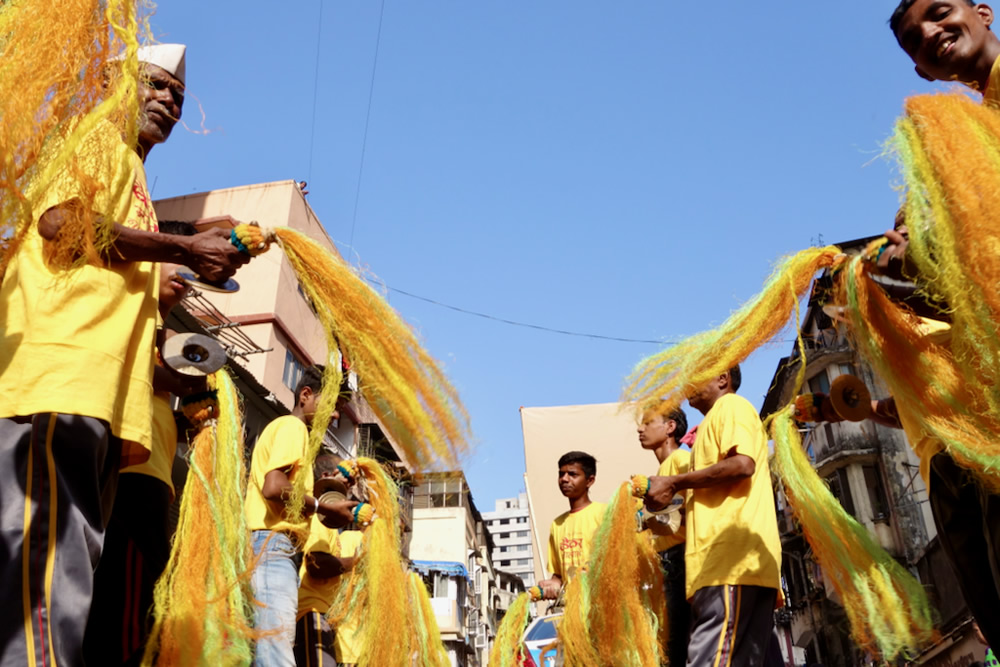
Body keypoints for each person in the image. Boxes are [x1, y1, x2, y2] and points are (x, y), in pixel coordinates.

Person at [0, 44, 249, 666]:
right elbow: (61, 225)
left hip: (96, 403)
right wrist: (185, 249)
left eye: (179, 97)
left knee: (66, 583)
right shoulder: (96, 140)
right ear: (116, 83)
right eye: (157, 85)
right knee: (48, 583)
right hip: (58, 384)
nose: (169, 101)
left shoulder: (132, 174)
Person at [83, 219, 204, 664]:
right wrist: (174, 378)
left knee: (135, 610)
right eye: (178, 258)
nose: (186, 279)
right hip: (127, 477)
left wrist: (188, 417)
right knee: (122, 615)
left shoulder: (165, 336)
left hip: (151, 482)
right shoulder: (130, 315)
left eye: (190, 267)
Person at [643, 366, 782, 667]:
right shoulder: (708, 425)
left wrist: (676, 482)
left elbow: (743, 465)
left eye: (700, 372)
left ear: (723, 379)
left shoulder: (731, 406)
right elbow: (697, 502)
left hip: (730, 562)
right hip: (722, 565)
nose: (688, 382)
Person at [244, 366, 357, 666]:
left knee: (269, 652)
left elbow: (289, 494)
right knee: (276, 655)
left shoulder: (295, 436)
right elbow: (274, 488)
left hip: (275, 550)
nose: (334, 416)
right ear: (305, 395)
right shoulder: (293, 428)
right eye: (332, 406)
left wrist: (327, 495)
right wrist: (322, 507)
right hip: (273, 548)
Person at [294, 453, 362, 667]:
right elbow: (316, 565)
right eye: (347, 480)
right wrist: (356, 561)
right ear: (325, 477)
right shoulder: (320, 518)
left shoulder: (331, 523)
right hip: (312, 611)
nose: (350, 488)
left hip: (325, 614)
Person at [637, 405, 692, 667]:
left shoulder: (681, 462)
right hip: (668, 563)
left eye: (647, 422)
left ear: (670, 427)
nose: (640, 429)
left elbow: (689, 515)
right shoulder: (662, 470)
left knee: (677, 646)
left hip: (680, 559)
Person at [536, 451, 606, 600]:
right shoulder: (557, 524)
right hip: (572, 611)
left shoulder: (605, 513)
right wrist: (552, 585)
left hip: (603, 605)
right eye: (561, 474)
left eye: (573, 474)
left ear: (590, 480)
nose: (564, 479)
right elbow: (559, 576)